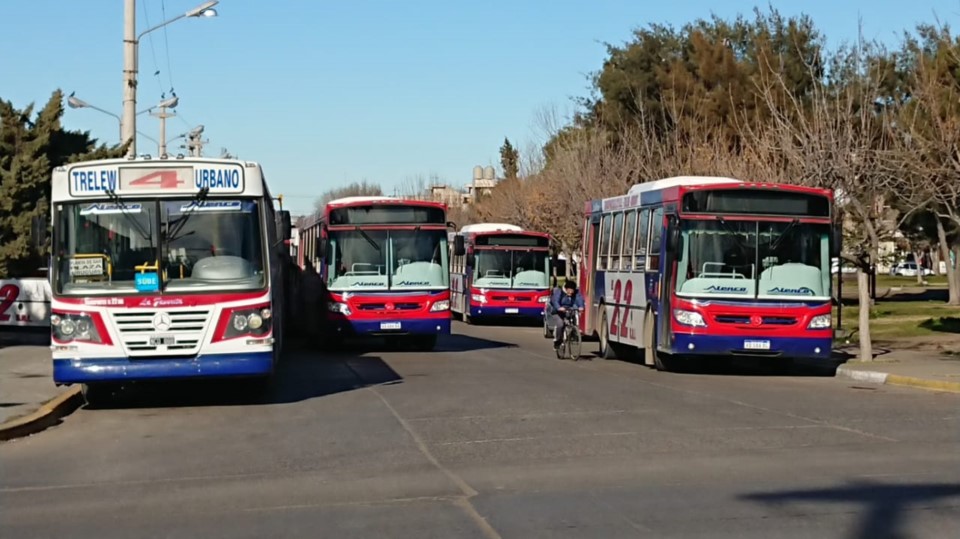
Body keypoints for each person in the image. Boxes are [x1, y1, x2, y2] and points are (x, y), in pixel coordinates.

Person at [550, 280, 585, 349]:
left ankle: (574, 332)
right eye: (569, 290)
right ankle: (557, 341)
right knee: (560, 324)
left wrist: (581, 306)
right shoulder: (559, 292)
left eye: (572, 290)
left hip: (569, 310)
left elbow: (579, 299)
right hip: (558, 311)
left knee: (575, 316)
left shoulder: (576, 292)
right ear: (566, 289)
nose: (571, 292)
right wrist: (559, 308)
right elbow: (555, 301)